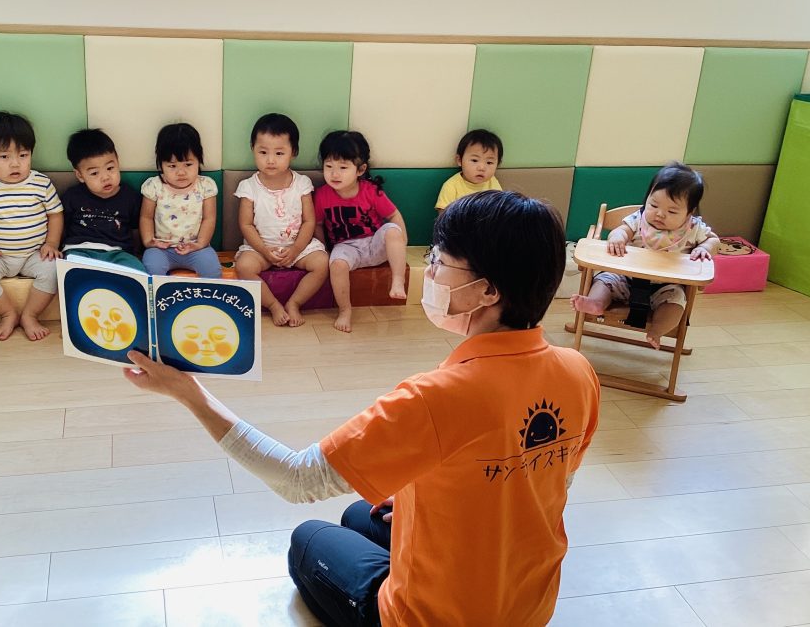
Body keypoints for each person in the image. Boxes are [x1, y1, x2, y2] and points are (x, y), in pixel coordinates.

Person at [123, 190, 601, 626]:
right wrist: (420, 494)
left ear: (488, 291)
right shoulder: (578, 372)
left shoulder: (436, 397)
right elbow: (543, 479)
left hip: (430, 619)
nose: (430, 271)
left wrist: (189, 393)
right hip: (529, 607)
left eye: (440, 261)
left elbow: (299, 479)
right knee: (361, 515)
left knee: (308, 538)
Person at [570, 161, 720, 349]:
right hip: (625, 278)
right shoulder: (638, 219)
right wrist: (618, 237)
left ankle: (657, 330)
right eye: (653, 205)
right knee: (604, 280)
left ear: (690, 213)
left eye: (672, 211)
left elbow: (714, 240)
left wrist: (705, 248)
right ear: (647, 199)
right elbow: (622, 230)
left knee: (676, 303)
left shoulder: (694, 229)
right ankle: (596, 304)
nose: (660, 214)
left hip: (666, 286)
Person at [0, 111, 63, 341]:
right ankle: (8, 314)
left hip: (34, 253)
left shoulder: (40, 183)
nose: (15, 163)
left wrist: (51, 243)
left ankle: (30, 315)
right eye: (4, 157)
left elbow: (55, 214)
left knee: (54, 270)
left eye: (23, 155)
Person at [234, 113, 328, 327]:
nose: (270, 160)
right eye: (263, 152)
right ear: (252, 149)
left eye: (279, 153)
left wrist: (295, 250)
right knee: (244, 266)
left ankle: (294, 303)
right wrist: (264, 250)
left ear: (293, 152)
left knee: (322, 263)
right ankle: (274, 305)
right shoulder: (248, 186)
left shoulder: (301, 183)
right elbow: (246, 224)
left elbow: (309, 222)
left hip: (297, 247)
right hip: (261, 249)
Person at [313, 130, 408, 333]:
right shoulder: (321, 195)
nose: (334, 174)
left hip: (374, 243)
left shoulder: (370, 191)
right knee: (337, 265)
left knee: (393, 231)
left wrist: (401, 240)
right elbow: (318, 225)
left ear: (360, 169)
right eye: (329, 166)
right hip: (346, 248)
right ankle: (345, 310)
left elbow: (394, 215)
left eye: (343, 167)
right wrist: (324, 249)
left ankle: (398, 281)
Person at [139, 123, 222, 278]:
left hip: (196, 248)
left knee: (212, 270)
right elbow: (146, 217)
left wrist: (200, 244)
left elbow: (209, 218)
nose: (181, 172)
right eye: (172, 166)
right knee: (151, 269)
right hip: (162, 249)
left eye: (188, 164)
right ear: (161, 165)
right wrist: (149, 241)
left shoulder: (206, 186)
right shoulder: (154, 186)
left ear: (199, 161)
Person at [61, 128, 144, 272]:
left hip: (119, 252)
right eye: (94, 173)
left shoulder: (130, 197)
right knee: (71, 271)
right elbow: (61, 226)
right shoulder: (72, 196)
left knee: (137, 270)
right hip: (80, 250)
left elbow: (136, 231)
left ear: (118, 162)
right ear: (80, 175)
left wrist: (136, 252)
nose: (105, 177)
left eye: (110, 168)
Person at [434, 129, 504, 213]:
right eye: (474, 160)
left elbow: (500, 209)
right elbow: (443, 215)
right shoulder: (451, 186)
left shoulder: (493, 182)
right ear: (459, 160)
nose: (482, 168)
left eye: (489, 162)